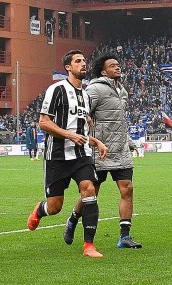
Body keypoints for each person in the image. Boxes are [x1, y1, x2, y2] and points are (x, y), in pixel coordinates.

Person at [26, 50, 108, 258]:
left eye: (84, 60)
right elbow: (43, 123)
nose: (83, 64)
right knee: (55, 207)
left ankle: (89, 245)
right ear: (68, 67)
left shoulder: (86, 95)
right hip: (57, 156)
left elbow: (82, 132)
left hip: (82, 155)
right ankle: (40, 210)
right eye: (78, 61)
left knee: (90, 190)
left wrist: (96, 141)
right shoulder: (57, 90)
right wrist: (70, 136)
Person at [63, 55, 142, 249]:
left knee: (127, 188)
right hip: (100, 150)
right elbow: (81, 112)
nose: (117, 67)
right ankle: (73, 219)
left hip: (120, 150)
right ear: (103, 71)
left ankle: (124, 236)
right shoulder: (95, 89)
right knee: (91, 193)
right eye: (112, 65)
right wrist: (88, 126)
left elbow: (119, 121)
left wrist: (128, 141)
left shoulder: (121, 90)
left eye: (118, 64)